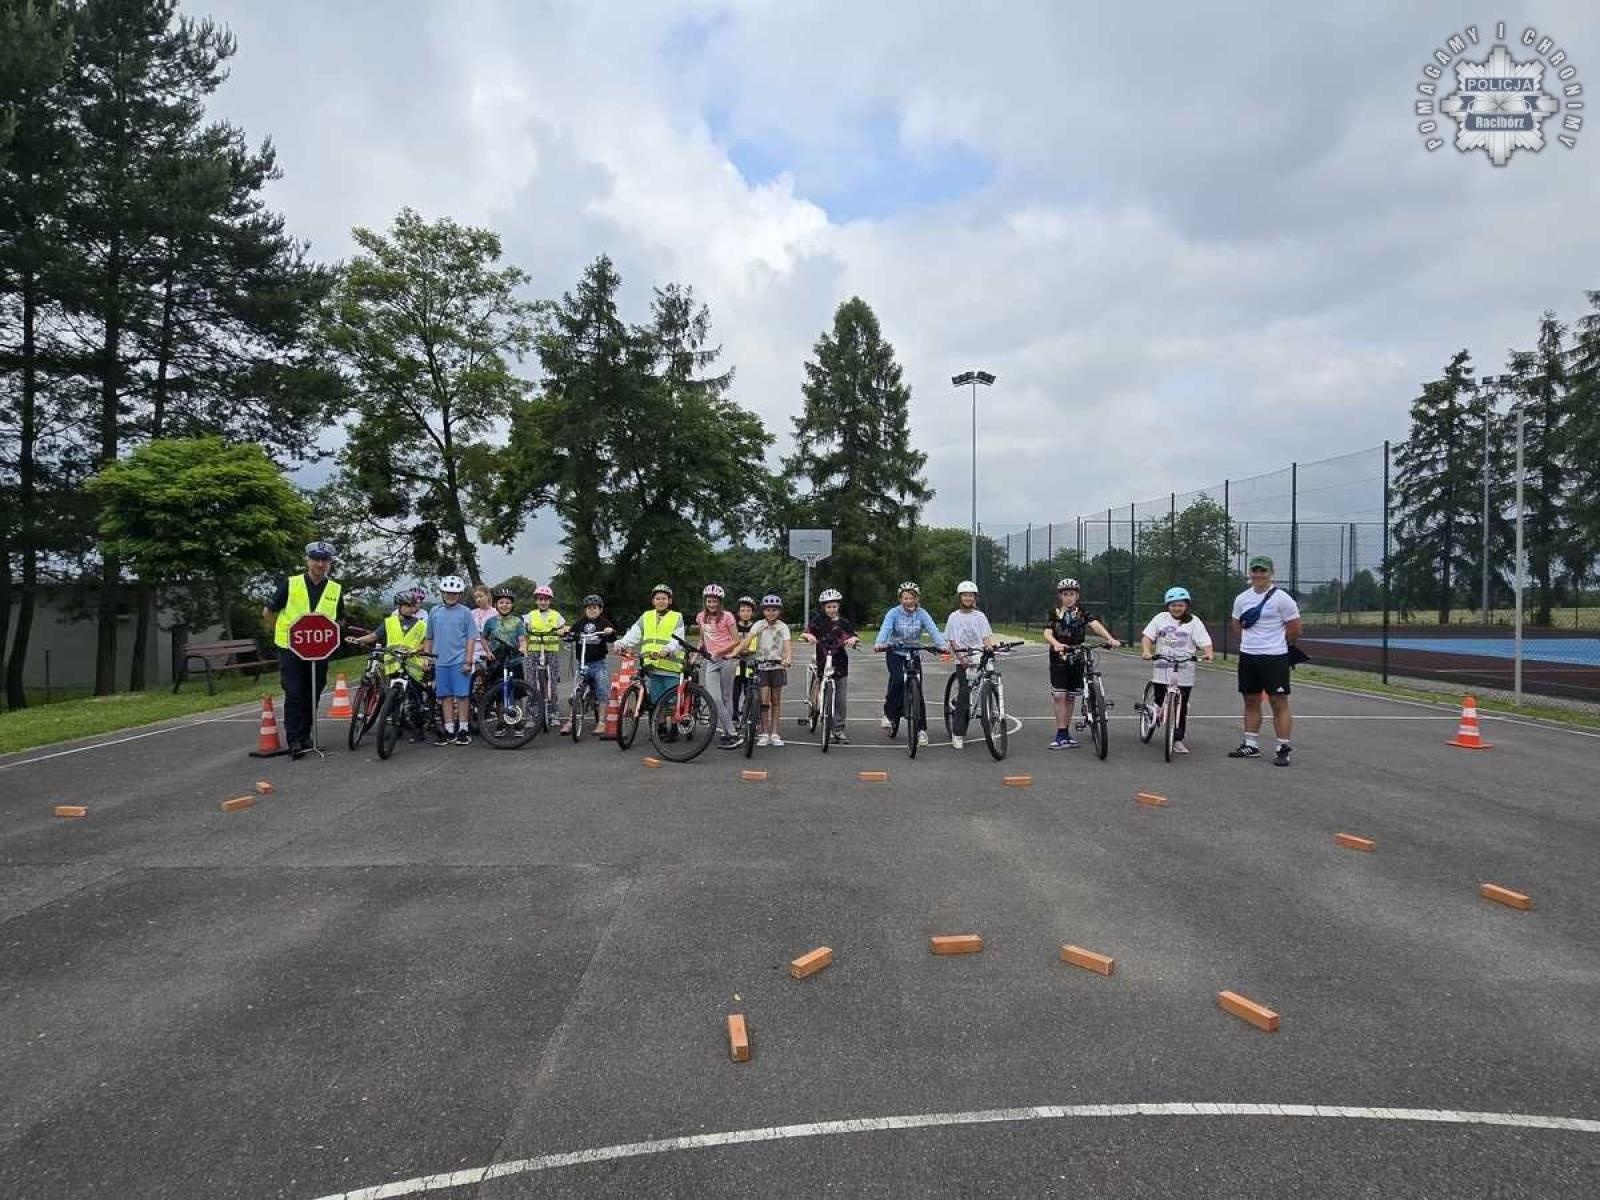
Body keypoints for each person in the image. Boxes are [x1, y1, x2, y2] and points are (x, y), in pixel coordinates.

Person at [262, 540, 347, 760]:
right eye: (316, 559)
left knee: (313, 692)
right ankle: (294, 741)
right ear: (308, 560)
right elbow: (268, 611)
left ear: (329, 563)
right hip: (290, 649)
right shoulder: (291, 584)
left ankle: (305, 735)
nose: (320, 564)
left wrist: (330, 635)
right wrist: (278, 632)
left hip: (319, 650)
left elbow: (340, 619)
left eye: (324, 560)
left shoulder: (335, 589)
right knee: (294, 693)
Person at [1228, 555, 1302, 766]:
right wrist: (1251, 643)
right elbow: (1236, 625)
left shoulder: (1282, 599)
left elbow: (1295, 628)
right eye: (1255, 571)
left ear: (1271, 573)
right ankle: (1251, 744)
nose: (1259, 575)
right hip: (1248, 656)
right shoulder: (1242, 598)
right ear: (1250, 573)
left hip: (1274, 657)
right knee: (1251, 700)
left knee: (1278, 702)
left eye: (1263, 571)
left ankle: (1283, 747)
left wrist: (1276, 644)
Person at [1041, 578, 1121, 749]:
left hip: (1077, 655)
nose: (1068, 597)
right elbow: (1047, 632)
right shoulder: (1054, 613)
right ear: (1060, 596)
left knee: (1070, 695)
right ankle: (1060, 734)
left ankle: (1066, 732)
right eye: (1065, 594)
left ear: (1077, 596)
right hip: (1059, 656)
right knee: (1059, 695)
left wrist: (1110, 639)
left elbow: (1095, 625)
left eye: (1072, 594)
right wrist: (1055, 643)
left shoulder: (1083, 612)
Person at [1139, 586, 1214, 755]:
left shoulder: (1194, 621)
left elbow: (1205, 641)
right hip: (1162, 666)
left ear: (1186, 605)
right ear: (1168, 606)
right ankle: (1154, 711)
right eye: (1173, 605)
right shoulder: (1160, 618)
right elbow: (1147, 637)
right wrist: (1146, 651)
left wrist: (1208, 653)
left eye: (1180, 605)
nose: (1177, 608)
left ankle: (1178, 739)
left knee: (1182, 705)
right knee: (1160, 697)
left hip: (1185, 668)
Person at [872, 582, 948, 746]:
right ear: (900, 599)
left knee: (918, 690)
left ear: (917, 598)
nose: (908, 601)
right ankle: (889, 714)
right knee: (898, 680)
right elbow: (885, 629)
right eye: (905, 598)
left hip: (913, 652)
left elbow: (933, 630)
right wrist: (880, 643)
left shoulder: (922, 614)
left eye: (911, 598)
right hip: (895, 652)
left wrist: (942, 645)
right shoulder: (893, 613)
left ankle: (921, 730)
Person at [352, 591, 430, 743]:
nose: (410, 608)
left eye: (412, 606)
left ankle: (418, 728)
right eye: (406, 606)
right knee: (392, 698)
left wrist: (417, 650)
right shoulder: (389, 622)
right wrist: (358, 640)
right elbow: (374, 636)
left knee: (414, 698)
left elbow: (426, 641)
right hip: (393, 664)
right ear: (399, 607)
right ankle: (395, 727)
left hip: (412, 665)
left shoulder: (421, 625)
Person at [424, 575, 478, 745]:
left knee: (462, 696)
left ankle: (463, 729)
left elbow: (471, 638)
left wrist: (468, 660)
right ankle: (449, 729)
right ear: (442, 593)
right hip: (440, 661)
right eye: (448, 593)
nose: (451, 596)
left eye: (454, 593)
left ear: (460, 595)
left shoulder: (465, 612)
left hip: (459, 659)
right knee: (445, 696)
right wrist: (426, 657)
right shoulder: (435, 611)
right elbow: (429, 637)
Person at [802, 587, 860, 743]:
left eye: (834, 606)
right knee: (821, 685)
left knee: (840, 697)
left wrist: (853, 640)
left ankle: (838, 729)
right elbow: (807, 632)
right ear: (823, 607)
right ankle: (817, 708)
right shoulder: (818, 621)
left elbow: (853, 635)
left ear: (838, 606)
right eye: (828, 607)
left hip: (840, 662)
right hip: (823, 659)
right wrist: (808, 636)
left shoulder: (844, 623)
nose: (832, 610)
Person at [944, 580, 997, 751]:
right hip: (963, 658)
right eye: (965, 595)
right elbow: (952, 640)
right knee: (964, 694)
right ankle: (958, 732)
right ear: (960, 597)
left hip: (978, 656)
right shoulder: (954, 617)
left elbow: (986, 637)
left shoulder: (980, 616)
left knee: (988, 682)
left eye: (971, 595)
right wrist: (961, 657)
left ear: (975, 598)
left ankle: (989, 722)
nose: (968, 598)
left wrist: (988, 648)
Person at [616, 584, 687, 705]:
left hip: (671, 667)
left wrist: (667, 650)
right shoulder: (646, 616)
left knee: (672, 703)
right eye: (658, 598)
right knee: (656, 702)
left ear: (669, 601)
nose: (661, 601)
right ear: (653, 601)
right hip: (652, 667)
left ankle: (672, 718)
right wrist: (621, 643)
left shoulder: (676, 617)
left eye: (664, 598)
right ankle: (658, 718)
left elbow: (678, 640)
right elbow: (634, 633)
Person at [696, 584, 743, 749]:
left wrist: (720, 651)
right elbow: (702, 640)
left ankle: (726, 732)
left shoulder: (727, 617)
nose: (712, 604)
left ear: (720, 602)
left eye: (715, 601)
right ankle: (732, 732)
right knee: (714, 697)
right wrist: (695, 655)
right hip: (711, 661)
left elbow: (736, 640)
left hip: (727, 659)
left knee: (726, 697)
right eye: (709, 601)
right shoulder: (701, 617)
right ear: (705, 602)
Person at [524, 584, 568, 731]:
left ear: (550, 601)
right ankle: (531, 715)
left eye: (546, 599)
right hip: (534, 651)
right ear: (536, 601)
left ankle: (554, 713)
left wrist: (562, 630)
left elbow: (564, 627)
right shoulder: (531, 615)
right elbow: (524, 630)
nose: (543, 602)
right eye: (540, 599)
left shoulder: (555, 615)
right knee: (531, 682)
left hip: (551, 651)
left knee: (553, 683)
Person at [750, 594, 792, 747]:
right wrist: (736, 651)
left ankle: (774, 733)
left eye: (774, 610)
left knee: (776, 700)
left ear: (779, 611)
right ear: (763, 611)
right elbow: (748, 640)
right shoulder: (758, 625)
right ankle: (764, 732)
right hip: (762, 666)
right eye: (768, 610)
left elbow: (787, 645)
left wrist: (788, 658)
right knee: (764, 700)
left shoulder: (783, 627)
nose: (771, 612)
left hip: (777, 666)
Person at [569, 594, 618, 720]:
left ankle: (601, 721)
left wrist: (609, 631)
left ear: (600, 609)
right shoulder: (580, 623)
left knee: (602, 690)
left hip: (598, 664)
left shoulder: (603, 622)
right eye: (589, 608)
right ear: (585, 610)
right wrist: (565, 632)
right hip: (582, 663)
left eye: (595, 607)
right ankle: (570, 719)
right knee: (575, 690)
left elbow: (612, 636)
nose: (592, 610)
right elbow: (570, 634)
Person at [481, 587, 528, 671]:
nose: (505, 605)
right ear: (496, 605)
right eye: (501, 602)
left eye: (508, 603)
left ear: (512, 605)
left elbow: (522, 639)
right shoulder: (490, 622)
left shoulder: (517, 621)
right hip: (495, 658)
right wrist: (488, 652)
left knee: (518, 677)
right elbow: (484, 638)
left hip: (514, 658)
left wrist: (523, 648)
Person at [731, 595, 759, 728]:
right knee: (735, 691)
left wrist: (744, 649)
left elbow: (754, 647)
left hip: (751, 663)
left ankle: (750, 714)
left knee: (750, 690)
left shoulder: (755, 627)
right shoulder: (734, 627)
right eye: (742, 610)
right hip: (737, 664)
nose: (745, 613)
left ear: (752, 612)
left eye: (748, 610)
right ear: (738, 612)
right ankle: (735, 715)